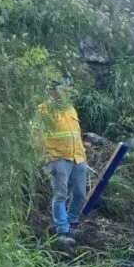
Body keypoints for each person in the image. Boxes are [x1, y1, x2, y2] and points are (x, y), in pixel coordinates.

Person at [38, 84, 87, 246]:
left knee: (80, 193)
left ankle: (72, 222)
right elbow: (35, 135)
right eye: (63, 89)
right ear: (54, 91)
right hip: (58, 158)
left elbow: (76, 135)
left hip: (78, 158)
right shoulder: (43, 110)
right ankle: (62, 230)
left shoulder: (70, 109)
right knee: (60, 195)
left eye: (68, 90)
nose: (67, 92)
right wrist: (45, 158)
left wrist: (83, 155)